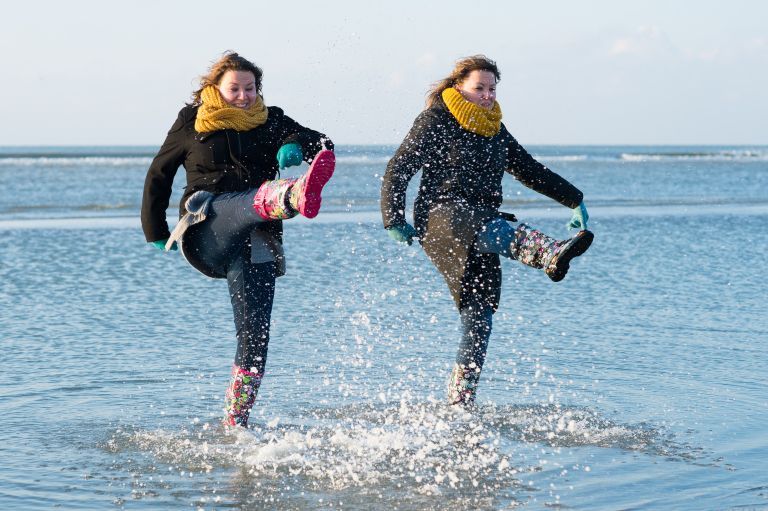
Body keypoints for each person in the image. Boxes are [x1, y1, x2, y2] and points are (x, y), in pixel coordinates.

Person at [380, 55, 593, 407]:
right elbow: (399, 167)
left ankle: (460, 402)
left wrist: (574, 199)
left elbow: (529, 169)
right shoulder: (436, 119)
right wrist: (392, 218)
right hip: (442, 218)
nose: (487, 95)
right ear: (459, 86)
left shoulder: (495, 129)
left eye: (492, 88)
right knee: (489, 226)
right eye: (479, 87)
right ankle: (548, 253)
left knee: (479, 313)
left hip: (482, 222)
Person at [141, 51, 335, 427]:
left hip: (257, 239)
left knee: (255, 335)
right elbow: (159, 173)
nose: (244, 96)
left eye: (250, 88)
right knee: (242, 202)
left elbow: (323, 142)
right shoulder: (191, 121)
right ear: (215, 88)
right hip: (206, 224)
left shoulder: (272, 119)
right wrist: (155, 230)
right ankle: (289, 196)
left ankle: (235, 420)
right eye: (235, 89)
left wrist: (296, 143)